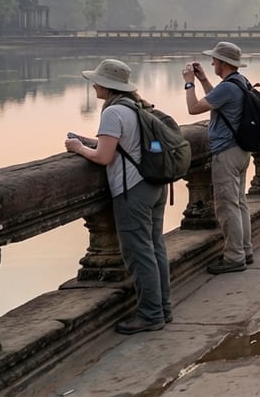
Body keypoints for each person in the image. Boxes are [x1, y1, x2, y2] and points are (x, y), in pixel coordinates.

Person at [65, 59, 172, 333]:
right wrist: (91, 142)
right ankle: (163, 308)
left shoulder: (113, 113)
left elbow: (104, 156)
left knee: (139, 253)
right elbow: (121, 145)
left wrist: (78, 148)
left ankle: (150, 315)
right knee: (155, 246)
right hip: (155, 184)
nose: (94, 85)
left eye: (97, 81)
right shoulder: (137, 106)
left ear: (106, 85)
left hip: (133, 189)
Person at [181, 42, 255, 274]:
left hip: (227, 151)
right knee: (239, 202)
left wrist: (189, 82)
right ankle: (245, 249)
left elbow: (194, 108)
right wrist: (203, 80)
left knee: (226, 206)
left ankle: (234, 257)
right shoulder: (239, 82)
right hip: (241, 150)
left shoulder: (229, 87)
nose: (211, 63)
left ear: (223, 63)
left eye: (214, 60)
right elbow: (216, 99)